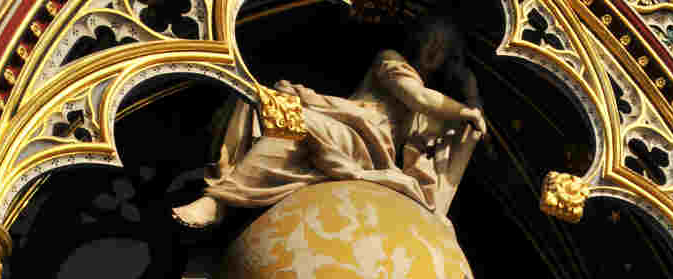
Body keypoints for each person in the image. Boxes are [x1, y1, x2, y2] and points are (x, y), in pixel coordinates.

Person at [173, 18, 488, 227]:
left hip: (366, 144)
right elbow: (416, 95)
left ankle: (220, 201)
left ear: (449, 58)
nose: (433, 49)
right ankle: (225, 191)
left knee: (296, 125)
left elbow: (445, 139)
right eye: (430, 38)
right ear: (416, 38)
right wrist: (465, 109)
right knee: (262, 102)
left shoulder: (432, 113)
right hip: (349, 124)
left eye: (443, 46)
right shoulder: (392, 59)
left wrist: (471, 97)